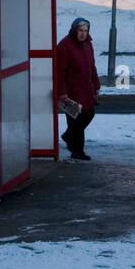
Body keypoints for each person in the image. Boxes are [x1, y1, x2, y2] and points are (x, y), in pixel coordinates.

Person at [56, 16, 101, 161]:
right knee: (76, 120)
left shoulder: (88, 44)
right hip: (72, 91)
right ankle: (77, 151)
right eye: (80, 30)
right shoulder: (65, 45)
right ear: (74, 30)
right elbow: (59, 71)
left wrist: (96, 86)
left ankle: (69, 136)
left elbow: (92, 66)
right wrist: (62, 92)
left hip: (86, 89)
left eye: (85, 30)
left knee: (89, 114)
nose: (83, 33)